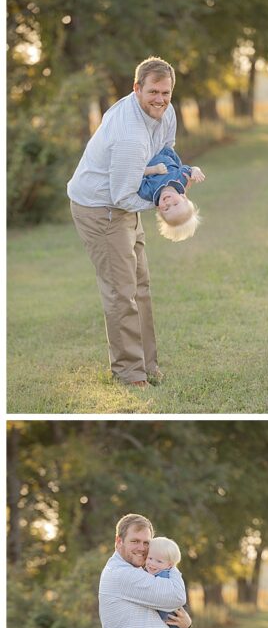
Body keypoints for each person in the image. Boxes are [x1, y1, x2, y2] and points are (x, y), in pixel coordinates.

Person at [67, 57, 179, 388]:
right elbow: (121, 198)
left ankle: (148, 366)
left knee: (141, 286)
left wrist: (171, 187)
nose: (160, 100)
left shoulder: (165, 112)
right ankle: (129, 374)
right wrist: (161, 205)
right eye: (153, 92)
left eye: (166, 92)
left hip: (125, 199)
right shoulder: (130, 134)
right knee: (122, 292)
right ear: (136, 89)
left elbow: (166, 154)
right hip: (101, 208)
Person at [139, 146, 206, 242]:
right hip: (163, 147)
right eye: (175, 204)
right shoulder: (182, 179)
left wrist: (154, 170)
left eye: (166, 209)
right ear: (183, 197)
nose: (168, 203)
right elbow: (191, 168)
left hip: (145, 153)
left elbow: (136, 175)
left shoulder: (149, 191)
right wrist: (196, 171)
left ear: (159, 209)